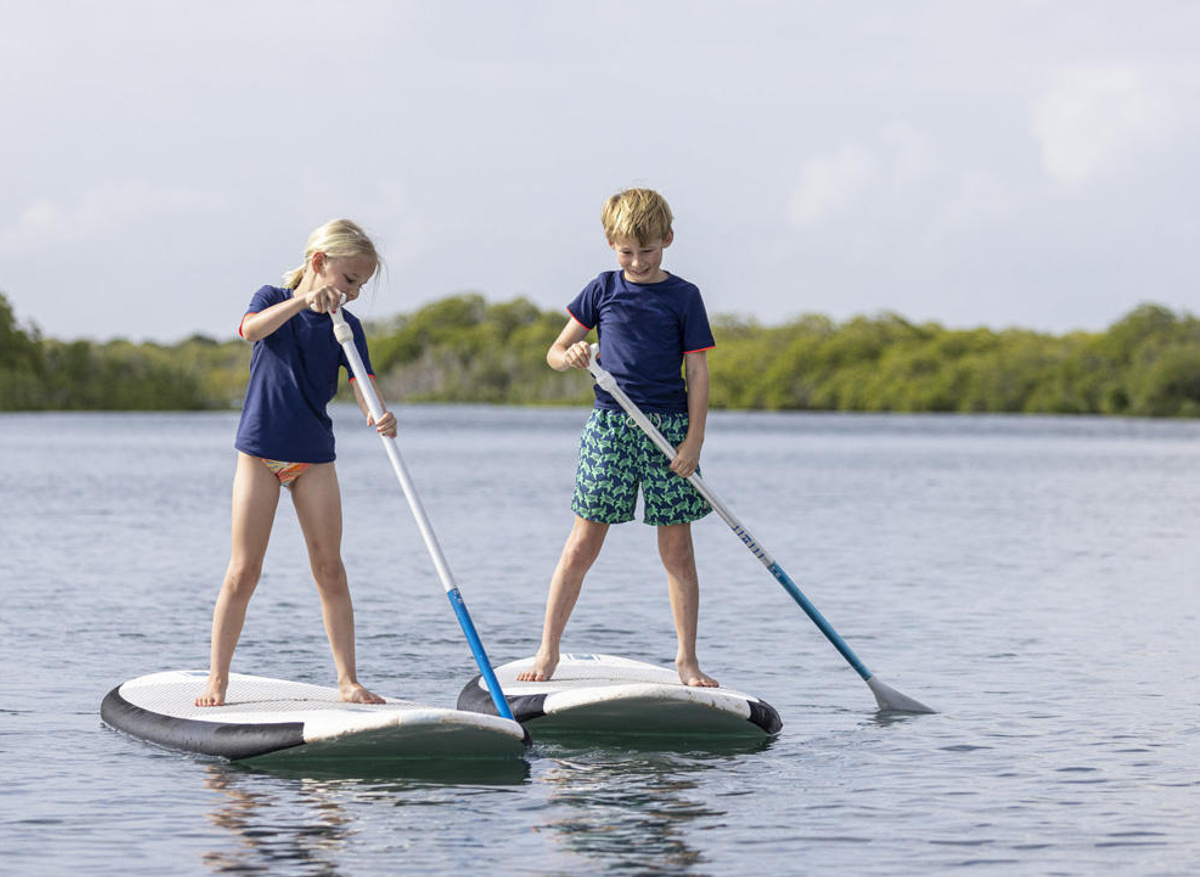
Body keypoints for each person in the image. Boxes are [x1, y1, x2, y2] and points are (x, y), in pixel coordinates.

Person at [518, 188, 719, 688]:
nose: (637, 261)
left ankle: (686, 661)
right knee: (583, 542)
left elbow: (698, 371)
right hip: (611, 427)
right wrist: (571, 357)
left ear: (667, 240)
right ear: (612, 245)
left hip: (669, 430)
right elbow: (555, 350)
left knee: (677, 551)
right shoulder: (602, 289)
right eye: (627, 251)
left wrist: (694, 441)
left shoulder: (684, 296)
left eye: (647, 251)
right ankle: (548, 652)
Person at [196, 218, 397, 707]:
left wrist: (379, 413)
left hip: (313, 457)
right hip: (260, 453)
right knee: (244, 570)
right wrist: (303, 302)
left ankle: (347, 681)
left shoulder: (346, 327)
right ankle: (217, 680)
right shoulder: (271, 298)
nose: (351, 293)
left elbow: (361, 382)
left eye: (360, 287)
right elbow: (249, 331)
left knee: (330, 569)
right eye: (348, 281)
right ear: (319, 263)